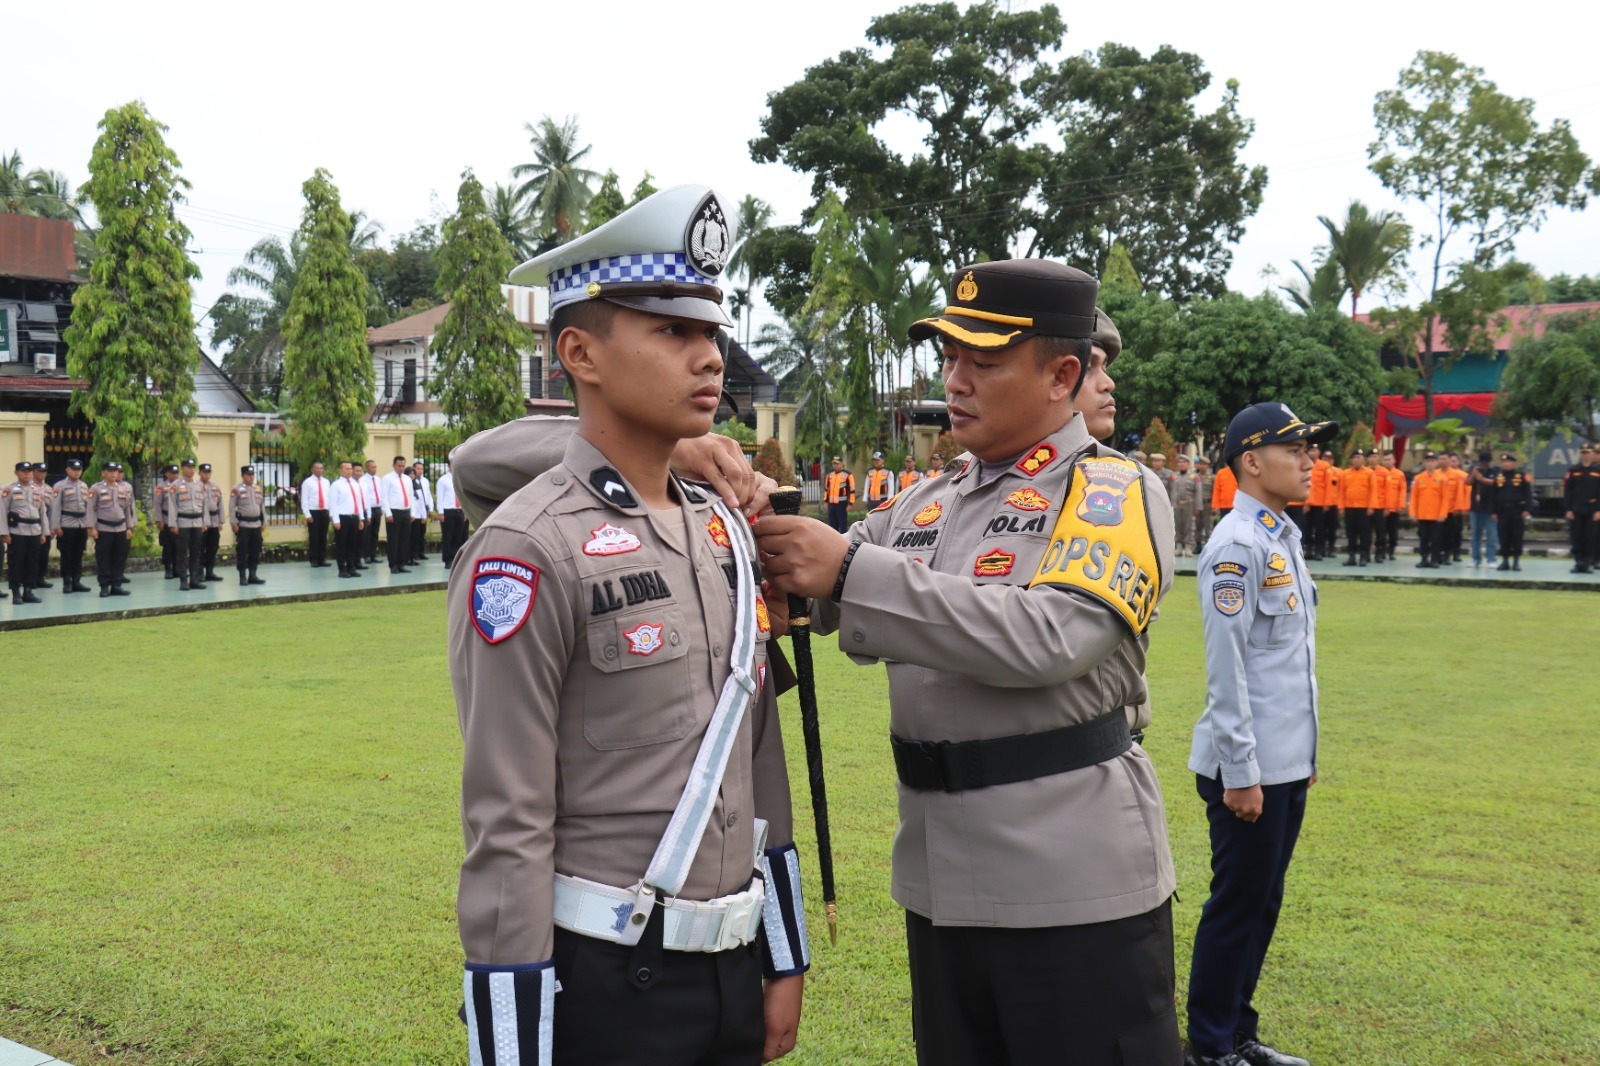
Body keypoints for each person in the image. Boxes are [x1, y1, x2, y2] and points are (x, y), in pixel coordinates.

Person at [759, 258, 1180, 1065]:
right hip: (940, 878)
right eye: (949, 358)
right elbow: (823, 586)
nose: (955, 380)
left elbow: (1051, 636)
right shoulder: (927, 501)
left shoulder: (1109, 492)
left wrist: (847, 572)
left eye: (983, 362)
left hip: (1070, 883)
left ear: (1063, 374)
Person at [450, 184, 808, 1066]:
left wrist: (781, 950)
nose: (709, 358)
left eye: (712, 332)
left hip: (729, 968)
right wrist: (512, 1044)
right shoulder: (528, 548)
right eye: (672, 332)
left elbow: (757, 752)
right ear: (580, 353)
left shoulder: (721, 530)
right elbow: (508, 816)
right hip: (607, 982)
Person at [1187, 401, 1333, 1066]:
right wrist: (1241, 771)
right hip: (1246, 772)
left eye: (1311, 449)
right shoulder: (1237, 547)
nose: (1310, 460)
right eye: (1296, 448)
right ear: (1252, 460)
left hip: (1283, 764)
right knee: (1236, 908)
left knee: (1262, 906)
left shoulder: (1282, 538)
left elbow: (1289, 668)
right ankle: (1211, 1048)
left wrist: (1299, 757)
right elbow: (1229, 673)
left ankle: (1238, 1032)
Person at [87, 460, 136, 596]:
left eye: (115, 471)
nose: (113, 473)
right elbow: (90, 509)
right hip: (104, 528)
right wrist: (91, 527)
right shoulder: (95, 489)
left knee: (119, 557)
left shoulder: (124, 488)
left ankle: (117, 585)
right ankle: (104, 585)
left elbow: (127, 509)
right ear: (103, 473)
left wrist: (129, 527)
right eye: (110, 471)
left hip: (121, 528)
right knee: (104, 558)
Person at [4, 462, 47, 604]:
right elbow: (2, 512)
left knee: (32, 562)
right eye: (24, 471)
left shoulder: (37, 489)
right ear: (16, 472)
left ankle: (28, 591)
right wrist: (4, 533)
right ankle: (16, 593)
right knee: (16, 563)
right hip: (17, 531)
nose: (27, 473)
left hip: (34, 530)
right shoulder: (9, 489)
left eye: (29, 471)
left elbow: (42, 512)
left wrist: (44, 532)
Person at [50, 458, 94, 593]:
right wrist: (56, 526)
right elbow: (56, 508)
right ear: (67, 470)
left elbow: (88, 507)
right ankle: (67, 582)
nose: (77, 472)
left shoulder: (84, 486)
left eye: (79, 470)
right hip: (67, 524)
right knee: (67, 555)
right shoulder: (60, 486)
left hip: (81, 524)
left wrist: (89, 525)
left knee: (78, 554)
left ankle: (77, 581)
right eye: (74, 469)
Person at [1491, 453, 1534, 572]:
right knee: (1503, 536)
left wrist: (1527, 509)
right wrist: (1493, 511)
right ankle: (1505, 561)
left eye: (1509, 461)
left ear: (1513, 463)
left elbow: (1528, 494)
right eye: (1504, 462)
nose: (1506, 464)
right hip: (1502, 511)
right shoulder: (1498, 476)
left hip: (1517, 511)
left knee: (1517, 536)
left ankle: (1516, 562)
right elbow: (1493, 495)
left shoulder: (1521, 476)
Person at [1408, 451, 1450, 568]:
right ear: (1424, 463)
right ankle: (1424, 559)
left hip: (1436, 516)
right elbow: (1413, 497)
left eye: (1432, 461)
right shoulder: (1418, 478)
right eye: (1428, 461)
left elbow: (1445, 499)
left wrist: (1443, 514)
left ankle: (1434, 559)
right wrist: (1412, 513)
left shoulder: (1442, 479)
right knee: (1423, 539)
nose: (1430, 464)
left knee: (1436, 539)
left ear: (1436, 463)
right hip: (1422, 515)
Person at [1563, 442, 1600, 574]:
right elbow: (1567, 491)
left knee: (1590, 537)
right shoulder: (1573, 470)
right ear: (1580, 454)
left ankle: (1588, 562)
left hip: (1592, 508)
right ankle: (1578, 562)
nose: (1586, 455)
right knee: (1576, 536)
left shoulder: (1597, 471)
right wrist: (1568, 509)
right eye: (1583, 453)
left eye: (1588, 452)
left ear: (1592, 454)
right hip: (1576, 508)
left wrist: (1598, 510)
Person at [1335, 448, 1375, 567]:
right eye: (1355, 457)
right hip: (1349, 508)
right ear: (1351, 460)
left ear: (1362, 459)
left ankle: (1363, 556)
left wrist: (1371, 506)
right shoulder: (1344, 473)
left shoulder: (1369, 473)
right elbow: (1341, 491)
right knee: (1350, 533)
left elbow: (1373, 491)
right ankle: (1351, 556)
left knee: (1364, 533)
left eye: (1359, 457)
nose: (1357, 460)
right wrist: (1341, 507)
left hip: (1363, 508)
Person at [329, 460, 366, 578]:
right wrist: (336, 520)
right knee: (342, 545)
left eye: (351, 469)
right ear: (340, 470)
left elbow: (358, 502)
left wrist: (361, 518)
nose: (349, 471)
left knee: (352, 544)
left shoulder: (355, 484)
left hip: (354, 517)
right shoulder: (336, 485)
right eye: (346, 469)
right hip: (342, 518)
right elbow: (333, 504)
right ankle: (342, 569)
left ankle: (351, 567)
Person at [231, 465, 268, 585]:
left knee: (255, 550)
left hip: (256, 524)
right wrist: (234, 523)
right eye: (248, 475)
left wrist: (264, 521)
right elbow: (232, 507)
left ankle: (253, 575)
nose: (251, 477)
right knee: (242, 551)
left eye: (253, 475)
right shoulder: (236, 489)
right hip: (243, 525)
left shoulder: (257, 488)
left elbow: (262, 506)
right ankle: (242, 576)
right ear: (243, 476)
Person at [379, 456, 414, 574]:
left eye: (403, 466)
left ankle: (402, 563)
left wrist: (412, 512)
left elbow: (410, 495)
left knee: (404, 539)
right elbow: (384, 497)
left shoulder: (407, 479)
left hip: (405, 511)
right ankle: (393, 564)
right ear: (394, 465)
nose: (401, 468)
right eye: (399, 466)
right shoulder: (387, 478)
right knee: (394, 539)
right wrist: (388, 513)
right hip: (394, 512)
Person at [1467, 450, 1500, 568]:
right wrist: (1473, 474)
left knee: (1492, 535)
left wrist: (1482, 479)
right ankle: (1476, 559)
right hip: (1476, 508)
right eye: (1483, 463)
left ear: (1491, 462)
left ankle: (1491, 559)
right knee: (1476, 535)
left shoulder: (1497, 470)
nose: (1484, 465)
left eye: (1487, 463)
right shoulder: (1475, 469)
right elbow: (1468, 482)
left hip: (1491, 508)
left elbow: (1496, 483)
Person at [1374, 452, 1406, 563]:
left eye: (1389, 459)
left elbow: (1402, 490)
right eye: (1385, 459)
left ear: (1394, 461)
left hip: (1394, 508)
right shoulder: (1379, 473)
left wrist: (1401, 505)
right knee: (1381, 531)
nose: (1387, 462)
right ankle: (1381, 551)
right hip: (1381, 507)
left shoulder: (1399, 474)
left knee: (1392, 532)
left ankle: (1391, 551)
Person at [436, 460, 468, 569]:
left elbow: (463, 496)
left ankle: (456, 558)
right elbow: (440, 497)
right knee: (448, 536)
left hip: (459, 510)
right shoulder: (443, 480)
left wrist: (465, 510)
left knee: (458, 536)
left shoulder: (460, 479)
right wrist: (440, 512)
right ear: (449, 466)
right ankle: (447, 559)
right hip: (448, 510)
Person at [301, 461, 332, 568]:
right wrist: (307, 514)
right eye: (317, 468)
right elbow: (304, 499)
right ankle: (314, 559)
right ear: (312, 470)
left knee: (323, 536)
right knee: (314, 536)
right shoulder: (307, 482)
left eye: (321, 468)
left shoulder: (326, 482)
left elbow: (329, 498)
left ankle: (322, 558)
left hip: (324, 511)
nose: (319, 470)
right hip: (313, 511)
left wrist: (331, 512)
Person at [1303, 445, 1331, 561]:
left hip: (1320, 502)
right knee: (1307, 527)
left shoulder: (1325, 466)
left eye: (1315, 450)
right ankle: (1308, 549)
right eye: (1310, 450)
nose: (1313, 453)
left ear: (1319, 452)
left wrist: (1327, 503)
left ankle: (1318, 550)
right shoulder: (1304, 464)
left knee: (1320, 528)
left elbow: (1328, 485)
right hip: (1306, 502)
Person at [199, 463, 225, 582]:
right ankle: (199, 573)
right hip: (202, 522)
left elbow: (220, 504)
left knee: (212, 548)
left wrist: (221, 521)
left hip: (214, 522)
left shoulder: (215, 487)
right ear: (199, 473)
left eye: (209, 472)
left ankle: (210, 572)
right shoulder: (196, 486)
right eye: (205, 472)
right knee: (199, 548)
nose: (207, 474)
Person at [1172, 455, 1202, 558]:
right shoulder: (1174, 476)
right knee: (1177, 526)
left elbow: (1198, 492)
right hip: (1177, 504)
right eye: (1180, 462)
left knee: (1189, 526)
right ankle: (1179, 547)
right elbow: (1172, 492)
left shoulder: (1194, 477)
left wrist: (1198, 507)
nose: (1181, 464)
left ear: (1188, 464)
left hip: (1189, 504)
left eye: (1184, 462)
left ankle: (1188, 548)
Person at [153, 464, 180, 579]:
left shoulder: (182, 485)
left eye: (176, 472)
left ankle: (177, 569)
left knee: (179, 546)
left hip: (179, 519)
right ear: (166, 474)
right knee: (168, 546)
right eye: (172, 473)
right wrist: (159, 520)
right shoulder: (161, 487)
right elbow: (157, 504)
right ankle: (168, 569)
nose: (175, 475)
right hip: (167, 518)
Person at [359, 458, 384, 564]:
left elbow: (381, 494)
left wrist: (382, 507)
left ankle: (373, 555)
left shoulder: (378, 479)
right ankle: (366, 555)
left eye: (375, 467)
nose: (374, 469)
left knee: (375, 533)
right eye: (372, 467)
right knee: (367, 534)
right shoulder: (363, 480)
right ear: (367, 468)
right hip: (368, 509)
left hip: (377, 508)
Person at [410, 461, 435, 563]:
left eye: (421, 469)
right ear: (414, 469)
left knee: (422, 532)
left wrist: (431, 509)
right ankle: (414, 554)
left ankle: (421, 552)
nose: (420, 471)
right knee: (415, 534)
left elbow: (428, 495)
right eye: (418, 469)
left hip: (424, 509)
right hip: (415, 511)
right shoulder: (411, 481)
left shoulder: (425, 481)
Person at [823, 455, 854, 533]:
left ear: (842, 464)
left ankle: (843, 542)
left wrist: (850, 503)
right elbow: (826, 489)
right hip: (831, 504)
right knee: (832, 525)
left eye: (837, 463)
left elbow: (852, 490)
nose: (835, 465)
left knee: (843, 525)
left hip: (842, 504)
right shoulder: (829, 475)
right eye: (834, 463)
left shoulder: (848, 475)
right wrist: (826, 501)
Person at [1195, 457, 1216, 554]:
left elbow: (1215, 491)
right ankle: (1198, 545)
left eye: (1204, 464)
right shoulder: (1194, 477)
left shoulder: (1212, 477)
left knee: (1208, 526)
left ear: (1207, 465)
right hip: (1197, 505)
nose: (1202, 466)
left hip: (1208, 504)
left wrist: (1214, 506)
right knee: (1197, 525)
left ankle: (1209, 546)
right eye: (1200, 464)